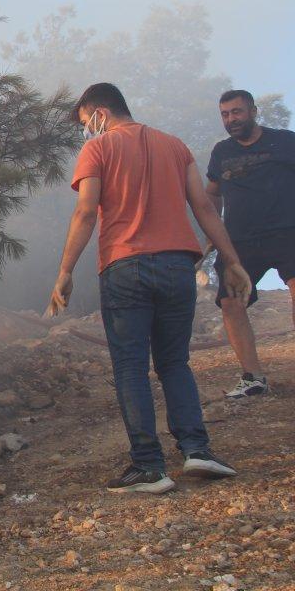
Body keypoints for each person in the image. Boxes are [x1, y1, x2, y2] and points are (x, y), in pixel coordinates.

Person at [46, 82, 251, 495]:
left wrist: (65, 271)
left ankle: (149, 467)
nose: (87, 130)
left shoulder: (98, 150)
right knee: (175, 363)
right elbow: (205, 206)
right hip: (178, 265)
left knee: (130, 367)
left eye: (87, 121)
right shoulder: (174, 146)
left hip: (125, 268)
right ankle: (198, 450)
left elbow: (87, 211)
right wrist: (232, 260)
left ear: (100, 111)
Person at [205, 89, 295, 398]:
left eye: (236, 112)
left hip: (288, 233)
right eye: (225, 114)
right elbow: (213, 192)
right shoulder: (221, 152)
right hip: (240, 241)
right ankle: (253, 377)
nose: (231, 119)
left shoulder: (285, 141)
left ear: (253, 111)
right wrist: (212, 231)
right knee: (230, 302)